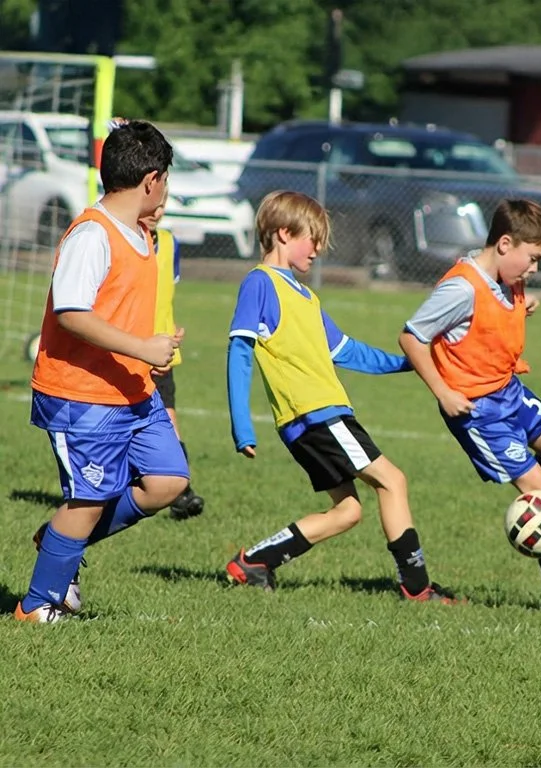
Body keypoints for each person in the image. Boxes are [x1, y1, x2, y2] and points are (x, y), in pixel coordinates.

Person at [225, 190, 458, 603]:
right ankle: (417, 588)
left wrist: (410, 361)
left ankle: (255, 562)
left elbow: (347, 351)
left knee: (348, 512)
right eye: (311, 238)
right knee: (393, 481)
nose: (318, 249)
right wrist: (242, 426)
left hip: (314, 420)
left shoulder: (304, 295)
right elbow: (240, 350)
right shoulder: (260, 284)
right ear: (283, 234)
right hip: (317, 416)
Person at [17, 120, 188, 623]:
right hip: (83, 395)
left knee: (167, 480)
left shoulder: (140, 231)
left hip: (133, 390)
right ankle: (36, 605)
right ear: (152, 179)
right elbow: (72, 312)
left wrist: (151, 347)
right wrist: (141, 345)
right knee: (89, 499)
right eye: (167, 179)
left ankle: (57, 541)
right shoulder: (92, 234)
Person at [398, 198, 541, 610]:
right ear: (505, 244)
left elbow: (490, 322)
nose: (534, 270)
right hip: (478, 411)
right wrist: (443, 392)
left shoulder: (507, 281)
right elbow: (411, 336)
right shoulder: (461, 288)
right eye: (532, 258)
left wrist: (522, 305)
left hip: (508, 391)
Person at [141, 202, 205, 521]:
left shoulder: (168, 243)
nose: (157, 210)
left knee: (168, 419)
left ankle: (181, 492)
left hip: (162, 354)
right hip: (128, 351)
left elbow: (165, 296)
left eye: (162, 205)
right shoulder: (121, 242)